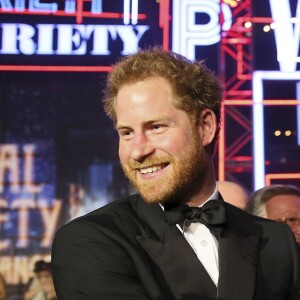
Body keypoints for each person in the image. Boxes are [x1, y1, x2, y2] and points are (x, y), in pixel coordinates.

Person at [52, 47, 300, 300]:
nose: (137, 151)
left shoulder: (276, 239)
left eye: (156, 127)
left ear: (205, 127)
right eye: (126, 133)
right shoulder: (88, 241)